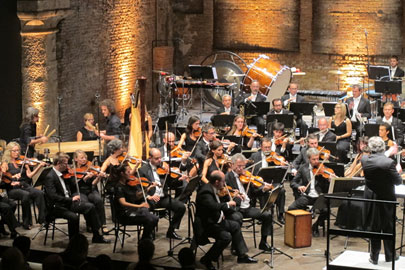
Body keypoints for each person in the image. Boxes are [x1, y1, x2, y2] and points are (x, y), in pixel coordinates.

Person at [196, 170, 257, 270]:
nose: (225, 184)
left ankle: (241, 255)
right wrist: (229, 204)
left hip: (216, 220)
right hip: (207, 224)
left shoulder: (214, 188)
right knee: (226, 237)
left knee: (235, 225)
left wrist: (234, 197)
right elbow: (213, 206)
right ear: (216, 182)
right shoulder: (205, 191)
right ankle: (207, 259)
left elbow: (221, 203)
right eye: (223, 181)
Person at [44, 152, 109, 243]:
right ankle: (73, 241)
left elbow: (74, 186)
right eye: (65, 163)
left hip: (67, 202)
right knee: (73, 217)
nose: (68, 166)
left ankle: (97, 236)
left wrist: (83, 179)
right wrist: (71, 199)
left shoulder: (63, 173)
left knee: (90, 207)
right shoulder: (50, 176)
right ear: (58, 163)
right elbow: (53, 196)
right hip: (58, 206)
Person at [361, 136, 402, 265]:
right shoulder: (389, 163)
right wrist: (398, 171)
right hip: (386, 198)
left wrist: (388, 153)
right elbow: (398, 181)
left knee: (374, 228)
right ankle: (390, 255)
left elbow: (378, 160)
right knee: (388, 226)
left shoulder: (364, 159)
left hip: (371, 198)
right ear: (383, 147)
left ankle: (374, 257)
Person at [225, 154, 274, 251]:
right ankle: (236, 247)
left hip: (247, 208)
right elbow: (226, 196)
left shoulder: (246, 176)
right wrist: (236, 196)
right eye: (238, 166)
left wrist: (263, 189)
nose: (241, 169)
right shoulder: (227, 178)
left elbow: (254, 193)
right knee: (236, 220)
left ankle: (263, 242)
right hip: (236, 209)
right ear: (232, 165)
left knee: (267, 215)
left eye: (243, 166)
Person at [138, 148, 186, 240]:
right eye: (156, 158)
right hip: (150, 199)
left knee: (181, 207)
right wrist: (149, 196)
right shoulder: (142, 170)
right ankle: (148, 233)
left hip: (162, 198)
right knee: (146, 209)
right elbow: (139, 187)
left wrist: (178, 180)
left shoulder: (164, 169)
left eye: (160, 158)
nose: (160, 160)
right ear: (150, 158)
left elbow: (171, 184)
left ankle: (171, 231)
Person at [1, 142, 46, 229]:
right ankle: (26, 222)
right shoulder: (5, 164)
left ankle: (42, 220)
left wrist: (39, 166)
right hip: (12, 188)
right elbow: (3, 178)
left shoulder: (23, 161)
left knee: (39, 193)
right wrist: (13, 178)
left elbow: (29, 175)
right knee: (26, 195)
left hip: (24, 185)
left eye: (18, 150)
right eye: (14, 151)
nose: (17, 153)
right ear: (8, 152)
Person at [288, 148, 330, 237]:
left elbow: (327, 186)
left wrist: (329, 179)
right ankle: (301, 226)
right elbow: (293, 182)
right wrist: (299, 186)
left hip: (319, 196)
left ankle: (315, 226)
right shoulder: (303, 168)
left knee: (326, 210)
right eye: (314, 159)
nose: (316, 161)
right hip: (307, 196)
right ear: (308, 159)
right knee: (291, 208)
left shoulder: (322, 168)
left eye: (317, 159)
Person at [113, 161, 158, 240]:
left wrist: (147, 189)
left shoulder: (129, 184)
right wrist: (139, 205)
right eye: (128, 171)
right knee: (150, 219)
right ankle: (145, 239)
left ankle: (145, 237)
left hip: (133, 210)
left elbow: (136, 197)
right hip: (125, 214)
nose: (131, 173)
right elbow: (123, 203)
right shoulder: (119, 187)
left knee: (154, 218)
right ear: (122, 174)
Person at [249, 138, 286, 223]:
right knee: (263, 190)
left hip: (273, 181)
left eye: (269, 147)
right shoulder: (255, 156)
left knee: (281, 191)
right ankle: (264, 213)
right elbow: (248, 168)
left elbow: (280, 172)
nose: (267, 149)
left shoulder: (275, 156)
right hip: (259, 182)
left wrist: (282, 165)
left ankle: (280, 215)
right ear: (261, 147)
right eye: (265, 147)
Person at [73, 150, 107, 233]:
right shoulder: (72, 169)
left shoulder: (90, 168)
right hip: (80, 191)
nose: (84, 160)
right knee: (86, 203)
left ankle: (103, 224)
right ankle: (90, 224)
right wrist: (84, 178)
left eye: (85, 158)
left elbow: (93, 184)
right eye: (82, 158)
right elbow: (73, 184)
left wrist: (98, 177)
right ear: (75, 159)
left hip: (91, 189)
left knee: (98, 200)